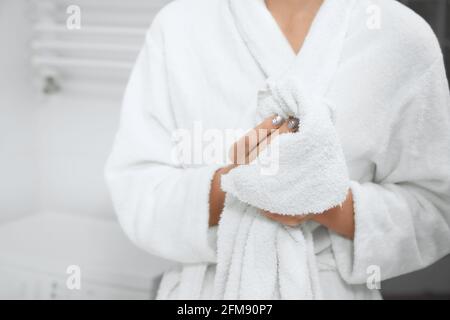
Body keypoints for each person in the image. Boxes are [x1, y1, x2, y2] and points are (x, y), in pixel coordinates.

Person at [105, 0, 450, 299]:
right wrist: (237, 184)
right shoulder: (180, 25)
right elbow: (136, 191)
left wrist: (325, 201)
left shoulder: (400, 36)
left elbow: (437, 209)